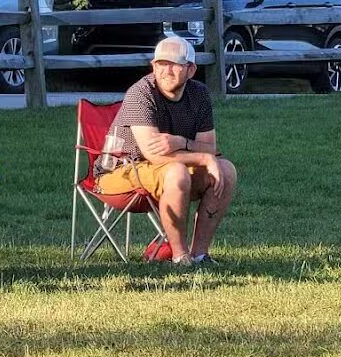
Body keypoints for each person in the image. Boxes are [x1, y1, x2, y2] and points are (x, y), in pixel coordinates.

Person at [94, 36, 237, 265]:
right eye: (161, 64)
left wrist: (181, 141)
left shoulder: (199, 94)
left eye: (175, 64)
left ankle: (200, 255)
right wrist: (203, 158)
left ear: (191, 70)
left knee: (226, 171)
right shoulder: (141, 93)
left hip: (165, 173)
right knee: (177, 171)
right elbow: (154, 154)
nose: (166, 71)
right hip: (119, 172)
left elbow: (210, 147)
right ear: (153, 66)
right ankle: (180, 257)